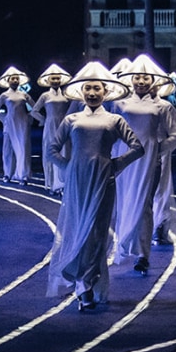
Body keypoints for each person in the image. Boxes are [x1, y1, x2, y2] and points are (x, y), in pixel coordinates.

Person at [45, 61, 142, 311]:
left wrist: (115, 165)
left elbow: (137, 148)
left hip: (104, 181)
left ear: (105, 92)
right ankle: (82, 285)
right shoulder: (72, 120)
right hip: (77, 181)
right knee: (78, 230)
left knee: (97, 234)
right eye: (87, 88)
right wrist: (68, 168)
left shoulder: (115, 120)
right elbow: (52, 149)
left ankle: (88, 284)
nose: (92, 93)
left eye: (97, 88)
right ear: (81, 91)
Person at [112, 54, 176, 276]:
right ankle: (125, 244)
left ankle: (143, 254)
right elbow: (112, 130)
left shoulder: (162, 106)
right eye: (137, 78)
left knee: (144, 205)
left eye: (146, 78)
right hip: (125, 158)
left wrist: (158, 148)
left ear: (154, 81)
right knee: (126, 201)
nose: (141, 82)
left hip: (150, 160)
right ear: (131, 79)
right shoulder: (120, 103)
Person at [150, 69, 176, 246]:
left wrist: (160, 147)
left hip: (159, 155)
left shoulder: (164, 107)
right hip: (135, 155)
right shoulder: (126, 106)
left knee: (160, 190)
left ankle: (160, 227)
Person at [31, 64, 73, 195]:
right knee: (51, 153)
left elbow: (72, 110)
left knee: (65, 153)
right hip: (50, 126)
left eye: (57, 78)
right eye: (53, 79)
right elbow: (34, 111)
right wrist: (43, 120)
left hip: (64, 125)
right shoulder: (45, 96)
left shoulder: (66, 95)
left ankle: (64, 183)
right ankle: (52, 184)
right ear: (49, 81)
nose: (55, 81)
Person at [0, 66, 35, 185]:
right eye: (12, 79)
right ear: (8, 81)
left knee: (23, 148)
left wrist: (29, 118)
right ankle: (7, 173)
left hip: (22, 124)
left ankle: (23, 175)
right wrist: (4, 120)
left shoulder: (24, 95)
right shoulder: (4, 95)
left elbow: (34, 108)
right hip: (9, 124)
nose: (15, 81)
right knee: (8, 149)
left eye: (17, 79)